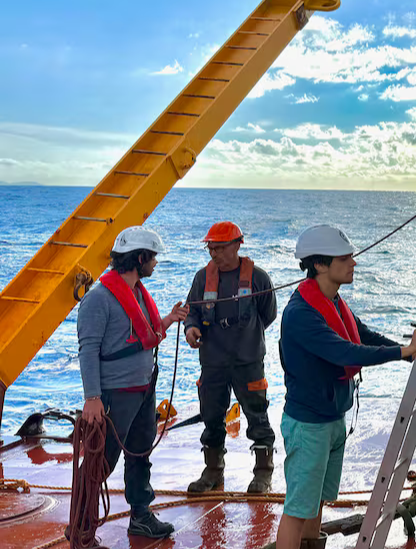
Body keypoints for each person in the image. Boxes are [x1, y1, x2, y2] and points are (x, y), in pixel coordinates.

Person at [275, 224, 416, 549]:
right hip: (309, 424)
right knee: (298, 509)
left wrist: (406, 354)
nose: (353, 263)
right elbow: (344, 351)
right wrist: (403, 351)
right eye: (344, 258)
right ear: (319, 265)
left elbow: (361, 334)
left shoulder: (331, 301)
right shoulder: (301, 314)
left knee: (314, 504)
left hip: (331, 418)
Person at [75, 226, 190, 539]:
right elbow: (88, 350)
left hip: (143, 389)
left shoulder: (137, 292)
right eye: (152, 257)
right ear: (139, 258)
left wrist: (168, 319)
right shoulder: (99, 299)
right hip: (115, 394)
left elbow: (141, 335)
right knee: (102, 459)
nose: (155, 263)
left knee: (140, 453)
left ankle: (140, 515)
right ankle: (81, 525)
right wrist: (93, 398)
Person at [183, 221, 278, 494]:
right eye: (211, 249)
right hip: (212, 360)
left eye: (220, 248)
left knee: (256, 415)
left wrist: (246, 334)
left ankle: (263, 473)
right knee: (211, 415)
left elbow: (267, 314)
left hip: (248, 360)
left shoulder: (258, 278)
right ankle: (212, 471)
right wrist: (191, 328)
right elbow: (193, 310)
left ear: (237, 245)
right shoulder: (203, 278)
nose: (214, 254)